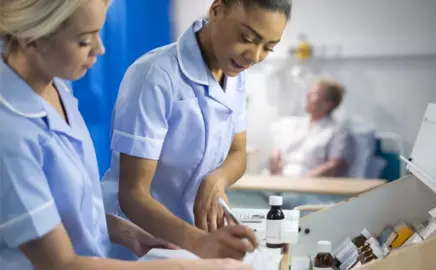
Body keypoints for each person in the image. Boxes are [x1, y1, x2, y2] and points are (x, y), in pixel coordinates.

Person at [0, 0, 252, 269]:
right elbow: (62, 264)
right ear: (31, 39)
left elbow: (69, 208)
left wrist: (124, 231)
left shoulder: (56, 87)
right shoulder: (9, 134)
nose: (100, 48)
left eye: (98, 33)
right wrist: (188, 265)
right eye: (84, 41)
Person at [101, 0, 291, 259]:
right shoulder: (155, 75)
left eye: (268, 47)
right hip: (139, 238)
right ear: (216, 10)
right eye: (247, 38)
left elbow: (238, 153)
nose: (254, 56)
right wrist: (201, 242)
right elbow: (133, 194)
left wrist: (216, 180)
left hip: (191, 239)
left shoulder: (233, 71)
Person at [269, 78, 354, 178]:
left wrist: (307, 180)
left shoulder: (336, 131)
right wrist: (275, 163)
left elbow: (335, 165)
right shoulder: (293, 125)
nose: (307, 96)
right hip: (280, 180)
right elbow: (277, 154)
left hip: (310, 183)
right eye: (309, 92)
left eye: (314, 93)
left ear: (328, 104)